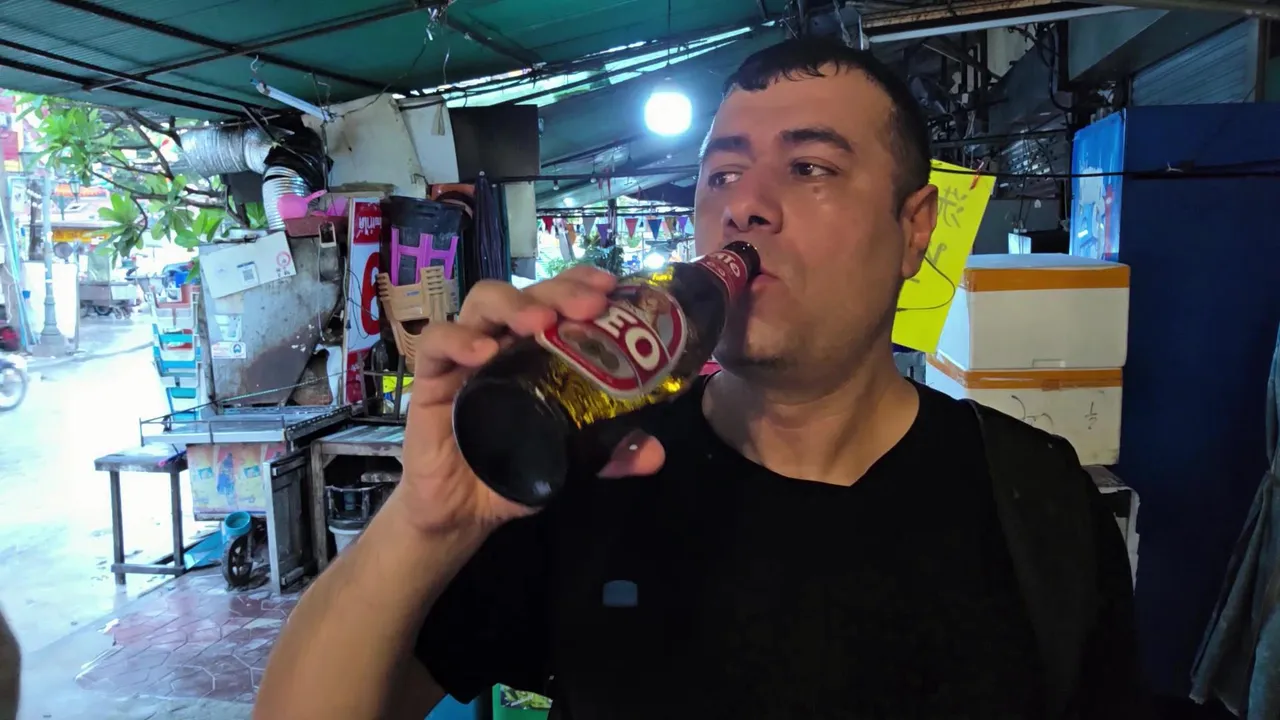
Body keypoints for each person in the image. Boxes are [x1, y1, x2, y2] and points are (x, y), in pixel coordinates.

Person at [255, 39, 1142, 719]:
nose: (743, 203)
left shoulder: (1037, 499)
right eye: (721, 173)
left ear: (916, 228)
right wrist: (425, 520)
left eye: (810, 166)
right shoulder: (586, 475)